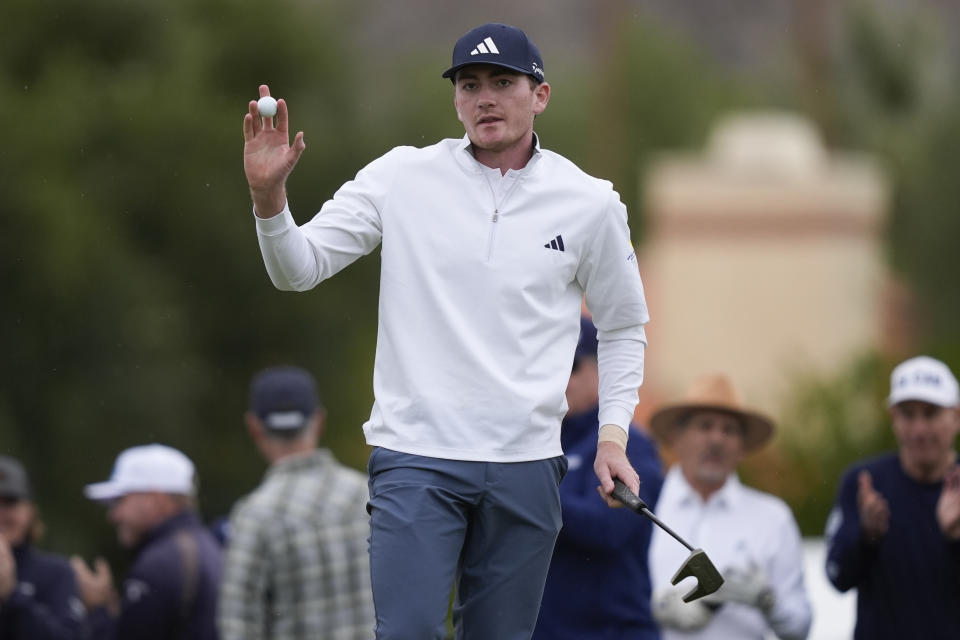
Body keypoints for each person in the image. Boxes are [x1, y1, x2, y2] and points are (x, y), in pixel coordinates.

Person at [241, 22, 650, 640]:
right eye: (469, 84)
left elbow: (623, 327)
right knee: (407, 632)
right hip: (417, 457)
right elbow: (299, 269)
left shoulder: (589, 201)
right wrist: (269, 202)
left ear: (539, 95)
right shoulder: (401, 177)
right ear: (456, 99)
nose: (484, 98)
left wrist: (613, 437)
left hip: (526, 463)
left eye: (502, 82)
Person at [647, 374, 812, 640]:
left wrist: (768, 601)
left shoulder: (772, 517)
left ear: (742, 447)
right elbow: (609, 600)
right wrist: (656, 607)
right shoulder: (648, 508)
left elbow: (800, 625)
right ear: (678, 438)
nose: (717, 439)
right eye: (705, 426)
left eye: (729, 430)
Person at [218, 365, 374, 639]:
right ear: (319, 420)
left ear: (254, 426)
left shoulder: (254, 515)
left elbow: (237, 625)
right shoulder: (369, 496)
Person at [533, 315, 663, 640]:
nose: (560, 377)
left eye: (571, 365)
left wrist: (526, 493)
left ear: (600, 370)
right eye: (550, 365)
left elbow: (608, 528)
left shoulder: (629, 444)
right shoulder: (533, 445)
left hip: (613, 631)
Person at [825, 355, 960, 639]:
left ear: (956, 417)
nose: (919, 429)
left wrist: (956, 539)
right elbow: (837, 576)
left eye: (931, 413)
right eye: (908, 414)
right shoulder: (864, 483)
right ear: (893, 419)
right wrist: (867, 536)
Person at [71, 444, 223, 640]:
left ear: (155, 500)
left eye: (120, 501)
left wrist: (97, 608)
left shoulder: (160, 563)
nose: (113, 515)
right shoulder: (206, 546)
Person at [0, 455, 85, 640]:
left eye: (10, 503)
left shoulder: (56, 573)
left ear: (30, 511)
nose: (1, 513)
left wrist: (12, 596)